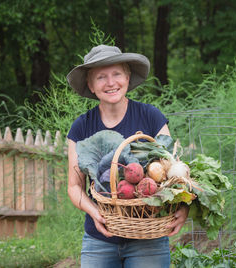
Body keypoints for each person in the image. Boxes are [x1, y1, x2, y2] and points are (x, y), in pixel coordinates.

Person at [66, 44, 189, 268]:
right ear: (91, 86)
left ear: (128, 77)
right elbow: (74, 187)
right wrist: (96, 213)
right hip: (99, 239)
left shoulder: (151, 117)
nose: (110, 82)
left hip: (149, 238)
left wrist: (183, 207)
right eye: (101, 77)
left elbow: (174, 173)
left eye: (116, 74)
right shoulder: (81, 127)